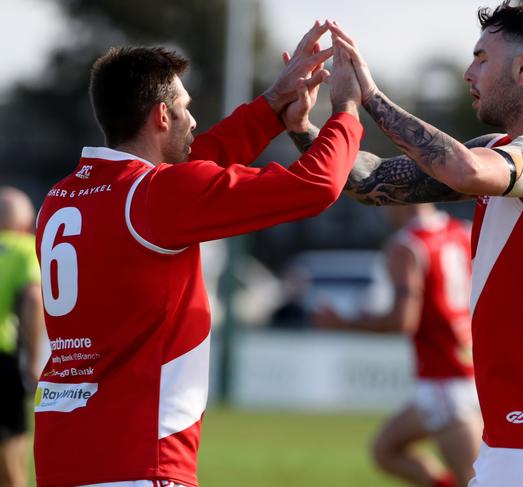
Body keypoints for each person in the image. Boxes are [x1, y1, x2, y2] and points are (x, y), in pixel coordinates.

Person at [292, 3, 523, 485]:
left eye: (482, 58)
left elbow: (464, 170)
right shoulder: (505, 150)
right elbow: (371, 182)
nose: (469, 72)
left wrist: (371, 96)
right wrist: (303, 128)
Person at [34, 21, 363, 487]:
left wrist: (270, 107)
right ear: (161, 117)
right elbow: (315, 185)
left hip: (62, 457)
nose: (194, 121)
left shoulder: (62, 197)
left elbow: (194, 167)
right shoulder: (156, 195)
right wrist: (347, 111)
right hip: (140, 460)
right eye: (185, 109)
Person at [314, 203, 481, 487]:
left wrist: (343, 323)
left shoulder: (407, 246)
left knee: (474, 479)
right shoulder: (463, 231)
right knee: (385, 451)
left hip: (445, 376)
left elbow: (403, 321)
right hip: (470, 366)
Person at [0, 186, 45, 487]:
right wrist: (33, 358)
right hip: (3, 359)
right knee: (10, 456)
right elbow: (32, 298)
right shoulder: (23, 248)